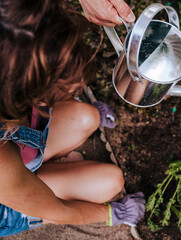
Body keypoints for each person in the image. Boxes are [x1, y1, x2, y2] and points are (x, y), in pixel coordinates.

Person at [0, 0, 145, 237]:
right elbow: (58, 210)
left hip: (15, 156)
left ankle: (42, 167)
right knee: (110, 183)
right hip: (8, 200)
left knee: (86, 117)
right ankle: (38, 178)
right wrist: (111, 214)